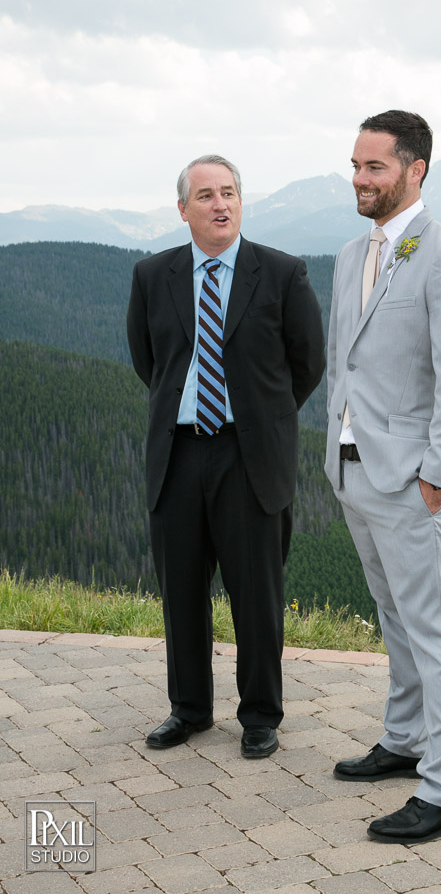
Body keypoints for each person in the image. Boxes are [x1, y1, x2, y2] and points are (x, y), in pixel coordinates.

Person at [325, 111, 441, 843]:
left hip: (413, 481)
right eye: (356, 166)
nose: (360, 180)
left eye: (375, 168)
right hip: (355, 468)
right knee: (393, 615)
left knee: (437, 630)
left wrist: (438, 477)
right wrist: (333, 450)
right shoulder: (346, 255)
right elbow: (346, 363)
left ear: (415, 169)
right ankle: (406, 738)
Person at [127, 154, 325, 758]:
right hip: (179, 456)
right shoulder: (151, 274)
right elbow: (149, 362)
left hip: (249, 458)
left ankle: (261, 715)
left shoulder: (282, 273)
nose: (221, 204)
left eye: (230, 193)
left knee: (256, 593)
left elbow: (307, 362)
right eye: (207, 195)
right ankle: (188, 710)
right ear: (183, 209)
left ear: (242, 201)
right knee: (181, 590)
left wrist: (260, 418)